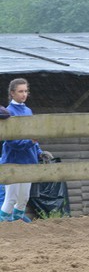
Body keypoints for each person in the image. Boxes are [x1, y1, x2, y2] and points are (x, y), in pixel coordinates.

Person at [0, 78, 42, 222]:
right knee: (11, 198)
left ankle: (19, 230)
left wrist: (39, 150)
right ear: (12, 93)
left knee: (24, 198)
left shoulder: (28, 110)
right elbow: (12, 142)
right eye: (20, 91)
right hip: (13, 161)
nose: (24, 94)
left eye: (25, 91)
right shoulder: (8, 112)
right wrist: (31, 142)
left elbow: (33, 134)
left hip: (28, 160)